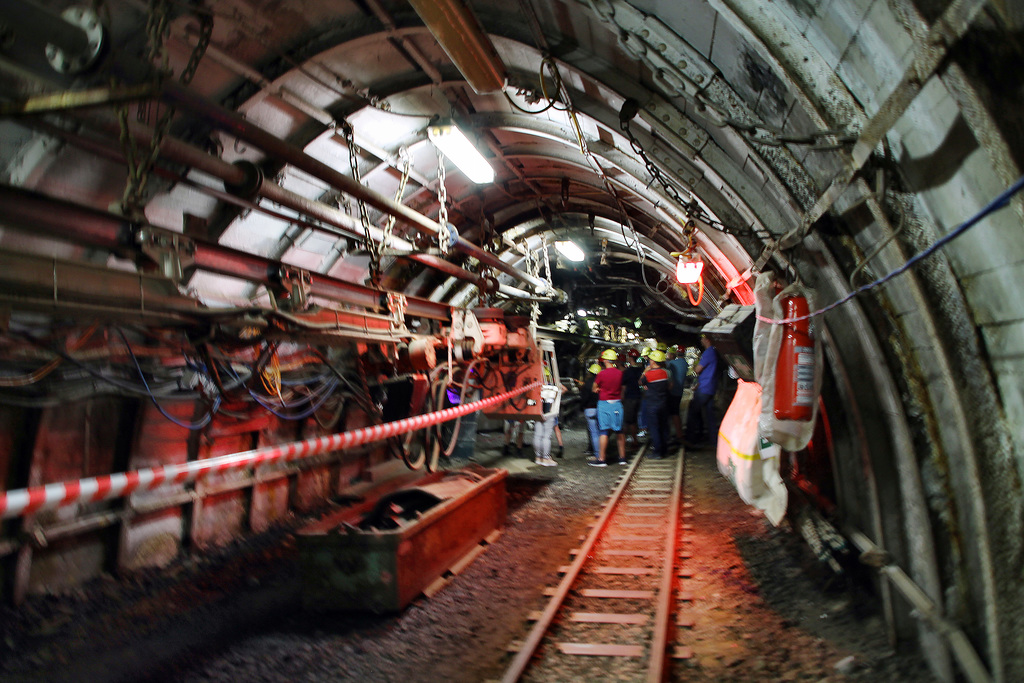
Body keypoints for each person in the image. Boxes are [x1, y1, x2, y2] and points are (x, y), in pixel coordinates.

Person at [591, 349, 627, 467]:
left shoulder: (601, 374)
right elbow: (622, 389)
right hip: (617, 404)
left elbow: (594, 388)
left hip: (604, 404)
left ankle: (602, 459)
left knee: (604, 431)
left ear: (605, 360)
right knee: (619, 431)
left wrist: (599, 389)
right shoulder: (620, 373)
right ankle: (622, 458)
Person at [685, 335, 720, 447]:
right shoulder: (714, 352)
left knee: (693, 410)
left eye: (702, 338)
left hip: (705, 387)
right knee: (710, 415)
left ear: (707, 340)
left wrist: (695, 367)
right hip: (711, 387)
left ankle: (692, 438)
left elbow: (698, 369)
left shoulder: (708, 352)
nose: (701, 340)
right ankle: (714, 441)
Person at [640, 349, 671, 459]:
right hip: (663, 403)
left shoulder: (648, 374)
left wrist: (645, 371)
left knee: (654, 428)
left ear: (653, 361)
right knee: (663, 427)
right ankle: (664, 450)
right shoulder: (665, 373)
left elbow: (640, 382)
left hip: (652, 404)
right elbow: (669, 386)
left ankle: (657, 452)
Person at [665, 346, 689, 443]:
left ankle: (670, 435)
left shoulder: (671, 363)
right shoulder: (685, 364)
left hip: (671, 392)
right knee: (675, 413)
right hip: (679, 392)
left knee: (670, 414)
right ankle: (679, 434)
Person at [620, 352, 643, 448]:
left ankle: (623, 442)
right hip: (638, 397)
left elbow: (623, 387)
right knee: (633, 420)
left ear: (630, 358)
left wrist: (621, 398)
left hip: (629, 398)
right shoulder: (641, 370)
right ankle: (635, 440)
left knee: (627, 421)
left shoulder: (628, 372)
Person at [581, 363, 601, 457]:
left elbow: (584, 398)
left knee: (593, 432)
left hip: (590, 409)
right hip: (601, 408)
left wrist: (582, 407)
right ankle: (603, 453)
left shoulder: (588, 383)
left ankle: (597, 454)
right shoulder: (601, 382)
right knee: (601, 431)